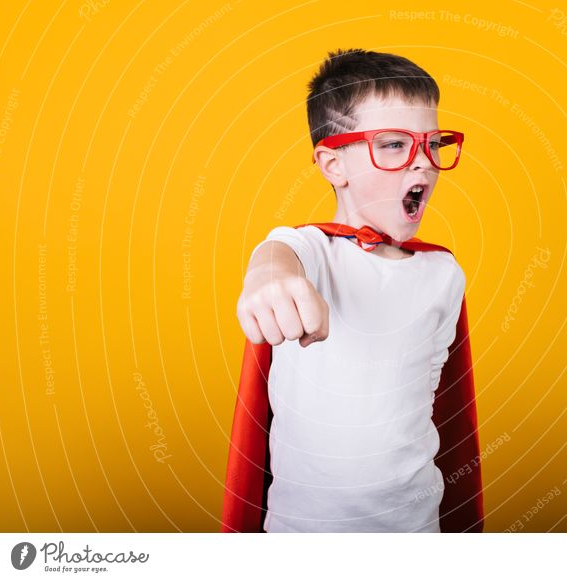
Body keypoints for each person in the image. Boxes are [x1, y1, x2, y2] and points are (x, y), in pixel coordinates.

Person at [223, 48, 482, 533]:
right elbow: (278, 252)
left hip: (416, 528)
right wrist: (269, 275)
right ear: (333, 164)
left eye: (433, 144)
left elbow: (440, 407)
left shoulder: (443, 273)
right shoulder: (311, 251)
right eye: (392, 144)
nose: (422, 163)